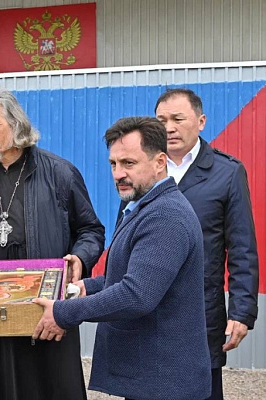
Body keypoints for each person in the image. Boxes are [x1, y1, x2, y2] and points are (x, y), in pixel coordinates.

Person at [0, 85, 105, 400]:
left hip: (49, 310)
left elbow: (90, 230)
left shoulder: (60, 173)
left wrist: (80, 258)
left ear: (16, 125)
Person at [33, 116, 212, 399]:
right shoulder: (142, 205)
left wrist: (63, 313)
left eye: (129, 163)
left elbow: (136, 295)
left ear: (160, 162)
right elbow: (133, 275)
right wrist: (87, 287)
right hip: (151, 380)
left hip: (164, 385)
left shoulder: (165, 216)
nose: (118, 174)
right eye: (113, 164)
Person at [155, 89, 259, 399]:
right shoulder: (146, 168)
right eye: (161, 120)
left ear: (201, 122)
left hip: (200, 311)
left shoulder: (226, 173)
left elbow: (242, 248)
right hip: (149, 305)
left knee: (200, 390)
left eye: (178, 119)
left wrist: (241, 312)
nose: (169, 128)